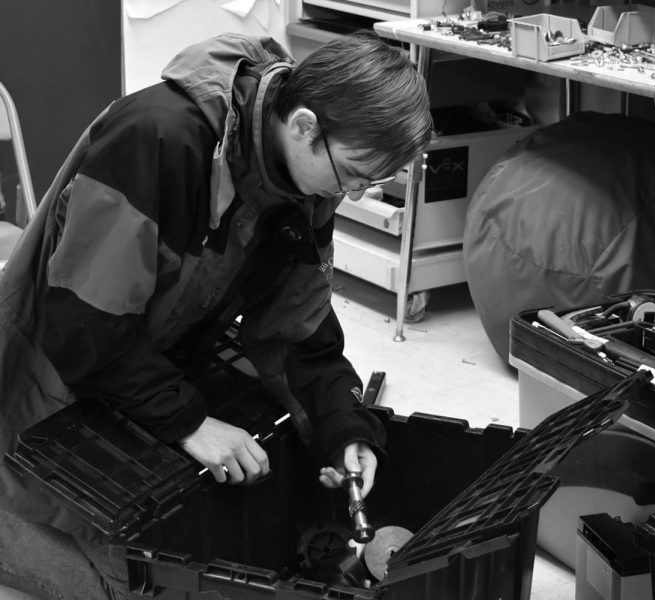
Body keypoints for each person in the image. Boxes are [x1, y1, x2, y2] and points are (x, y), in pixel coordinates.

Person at [0, 31, 432, 599]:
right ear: (303, 126)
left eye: (370, 182)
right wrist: (191, 424)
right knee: (134, 584)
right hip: (49, 382)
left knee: (215, 535)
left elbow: (297, 332)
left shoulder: (305, 182)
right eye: (353, 172)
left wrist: (344, 428)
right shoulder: (156, 139)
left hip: (144, 365)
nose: (352, 194)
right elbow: (84, 327)